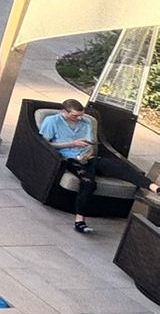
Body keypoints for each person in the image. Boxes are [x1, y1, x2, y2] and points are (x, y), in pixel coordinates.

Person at [39, 98, 150, 234]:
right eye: (75, 116)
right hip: (68, 158)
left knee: (118, 166)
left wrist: (88, 153)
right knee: (88, 183)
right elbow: (45, 143)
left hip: (88, 157)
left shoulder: (86, 122)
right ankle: (79, 220)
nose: (79, 118)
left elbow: (91, 144)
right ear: (65, 112)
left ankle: (153, 187)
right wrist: (71, 144)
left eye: (81, 115)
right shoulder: (52, 121)